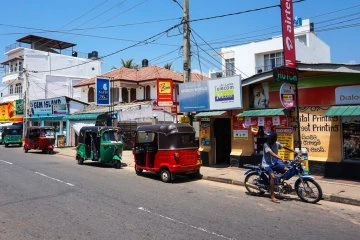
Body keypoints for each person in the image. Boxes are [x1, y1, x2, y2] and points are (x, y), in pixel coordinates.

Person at [262, 132, 300, 203]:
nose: (268, 140)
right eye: (268, 138)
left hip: (274, 163)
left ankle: (277, 183)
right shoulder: (266, 144)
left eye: (269, 139)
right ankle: (272, 196)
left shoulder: (277, 144)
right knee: (272, 176)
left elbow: (285, 147)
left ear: (273, 139)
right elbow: (271, 153)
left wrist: (295, 151)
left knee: (287, 170)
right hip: (266, 164)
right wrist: (281, 158)